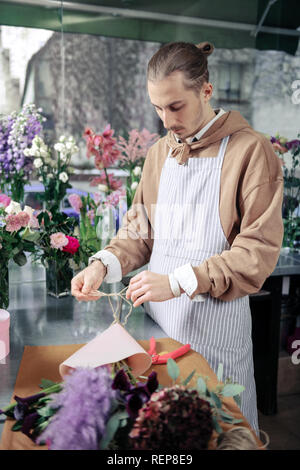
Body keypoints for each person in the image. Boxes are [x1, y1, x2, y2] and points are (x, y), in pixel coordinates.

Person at [71, 41, 284, 434]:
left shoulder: (251, 152)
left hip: (215, 337)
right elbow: (139, 231)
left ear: (206, 90)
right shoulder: (159, 154)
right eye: (157, 107)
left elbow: (257, 253)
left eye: (175, 106)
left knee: (218, 436)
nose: (165, 121)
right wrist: (103, 264)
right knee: (166, 437)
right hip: (161, 334)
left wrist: (177, 281)